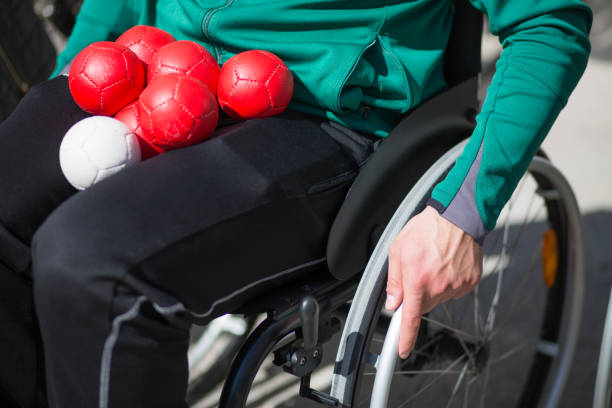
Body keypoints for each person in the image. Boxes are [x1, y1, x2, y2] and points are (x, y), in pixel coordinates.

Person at [0, 0, 591, 406]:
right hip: (160, 66)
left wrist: (462, 209)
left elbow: (547, 23)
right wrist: (73, 84)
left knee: (91, 263)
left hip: (321, 117)